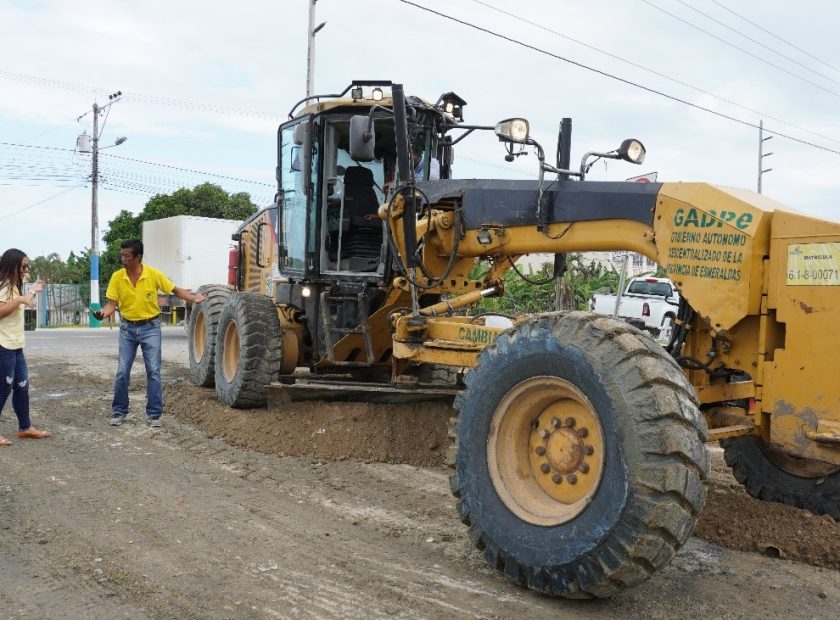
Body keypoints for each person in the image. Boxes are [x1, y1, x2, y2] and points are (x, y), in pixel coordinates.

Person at [93, 240, 205, 428]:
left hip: (150, 328)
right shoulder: (117, 277)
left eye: (127, 256)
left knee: (153, 371)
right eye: (122, 255)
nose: (123, 259)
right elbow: (112, 304)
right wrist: (102, 314)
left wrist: (194, 298)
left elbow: (174, 290)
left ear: (138, 257)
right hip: (127, 329)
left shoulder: (153, 275)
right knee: (122, 372)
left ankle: (154, 414)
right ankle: (119, 411)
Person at [0, 248, 51, 445]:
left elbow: (16, 304)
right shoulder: (4, 285)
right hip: (3, 344)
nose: (26, 270)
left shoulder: (13, 286)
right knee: (4, 388)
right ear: (12, 265)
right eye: (23, 266)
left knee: (22, 385)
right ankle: (25, 426)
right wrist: (22, 298)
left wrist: (30, 292)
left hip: (15, 344)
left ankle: (25, 427)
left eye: (27, 266)